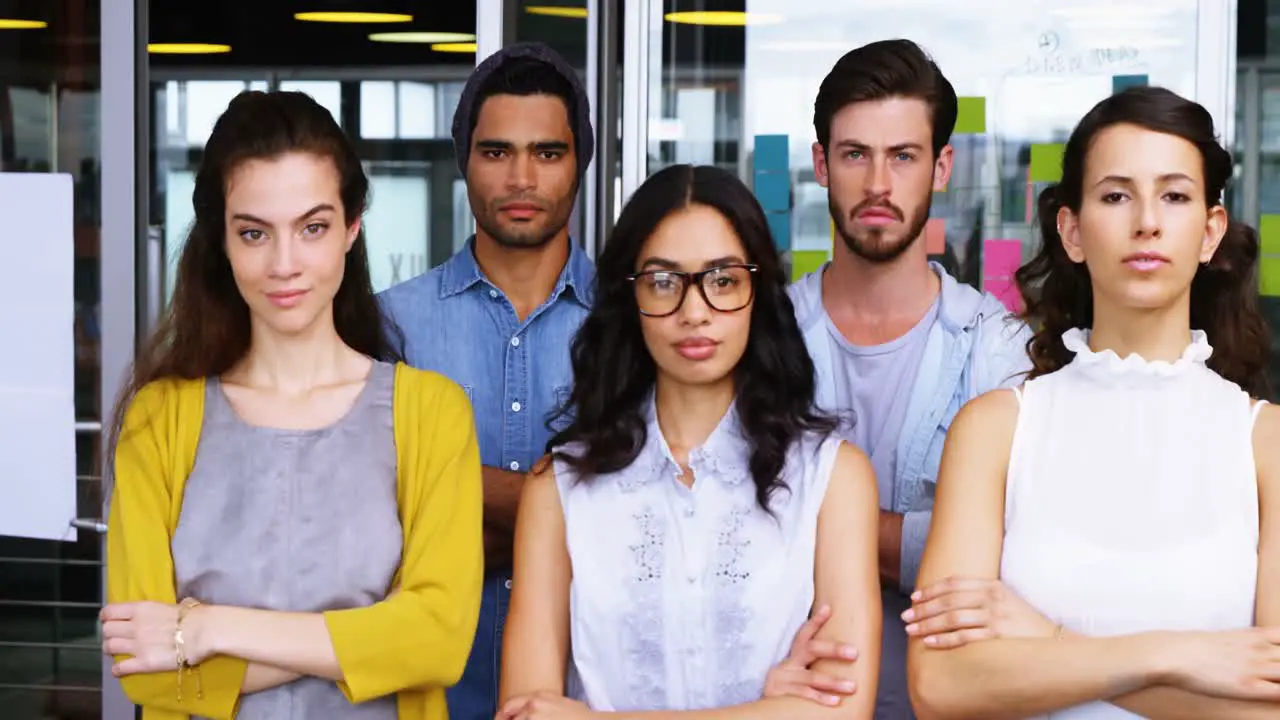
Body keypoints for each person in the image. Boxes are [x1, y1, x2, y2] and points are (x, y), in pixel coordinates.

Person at [101, 90, 483, 720]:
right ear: (222, 242)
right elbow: (142, 672)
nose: (285, 264)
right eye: (254, 232)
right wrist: (374, 638)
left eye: (313, 228)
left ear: (352, 227)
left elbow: (438, 644)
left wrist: (203, 630)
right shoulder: (158, 417)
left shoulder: (432, 414)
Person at [906, 86, 1280, 719]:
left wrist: (1047, 641)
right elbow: (941, 687)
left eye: (1175, 195)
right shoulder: (997, 428)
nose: (1147, 223)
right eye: (1115, 195)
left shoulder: (1264, 441)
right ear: (1072, 231)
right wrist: (1176, 658)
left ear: (1210, 231)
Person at [497, 163, 883, 720]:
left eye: (723, 280)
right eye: (662, 281)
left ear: (757, 291)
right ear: (628, 297)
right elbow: (525, 715)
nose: (694, 311)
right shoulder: (557, 488)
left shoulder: (832, 477)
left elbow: (841, 714)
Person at [782, 38, 1031, 718]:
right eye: (855, 154)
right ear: (820, 166)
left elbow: (1021, 565)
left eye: (904, 156)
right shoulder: (760, 339)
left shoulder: (1001, 353)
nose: (878, 186)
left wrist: (809, 530)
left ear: (942, 167)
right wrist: (929, 543)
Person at [376, 42, 596, 720]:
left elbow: (646, 515)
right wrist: (564, 506)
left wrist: (451, 499)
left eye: (548, 153)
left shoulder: (637, 325)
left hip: (583, 699)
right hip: (421, 696)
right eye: (497, 152)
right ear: (464, 161)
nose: (522, 177)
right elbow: (372, 523)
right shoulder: (391, 323)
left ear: (579, 163)